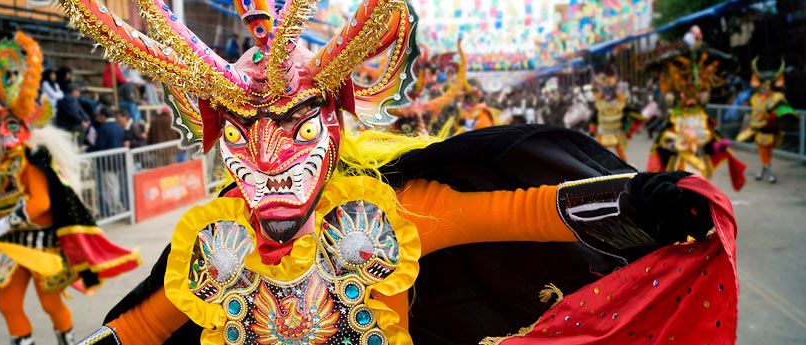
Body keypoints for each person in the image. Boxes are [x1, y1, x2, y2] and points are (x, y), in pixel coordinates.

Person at [62, 1, 738, 344]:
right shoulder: (213, 241)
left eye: (295, 127)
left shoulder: (392, 212)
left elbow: (525, 210)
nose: (268, 158)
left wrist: (638, 202)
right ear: (218, 138)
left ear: (331, 123)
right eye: (242, 132)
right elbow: (144, 329)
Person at [0, 31, 139, 345]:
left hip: (40, 243)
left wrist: (2, 223)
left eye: (11, 126)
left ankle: (66, 341)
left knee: (51, 304)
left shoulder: (34, 159)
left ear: (24, 126)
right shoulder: (4, 161)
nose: (3, 133)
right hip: (12, 245)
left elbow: (38, 202)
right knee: (7, 304)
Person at [647, 28, 746, 191]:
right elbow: (663, 142)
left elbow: (712, 141)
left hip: (699, 163)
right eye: (685, 94)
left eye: (694, 94)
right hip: (679, 164)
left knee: (699, 195)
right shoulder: (675, 118)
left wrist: (718, 146)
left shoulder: (702, 116)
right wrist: (675, 142)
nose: (690, 98)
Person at [736, 58, 799, 183]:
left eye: (768, 85)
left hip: (770, 130)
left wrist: (773, 116)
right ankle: (765, 168)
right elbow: (751, 111)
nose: (765, 88)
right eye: (763, 85)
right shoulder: (755, 98)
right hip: (758, 129)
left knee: (767, 149)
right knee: (762, 150)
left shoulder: (777, 98)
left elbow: (784, 111)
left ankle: (766, 168)